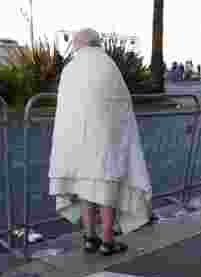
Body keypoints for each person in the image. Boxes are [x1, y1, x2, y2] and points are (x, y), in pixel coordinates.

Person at [48, 28, 152, 256]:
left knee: (84, 188)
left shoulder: (70, 69)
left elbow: (65, 111)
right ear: (97, 43)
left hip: (75, 145)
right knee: (106, 190)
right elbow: (122, 106)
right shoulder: (109, 66)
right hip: (106, 144)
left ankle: (89, 237)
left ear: (79, 45)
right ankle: (107, 241)